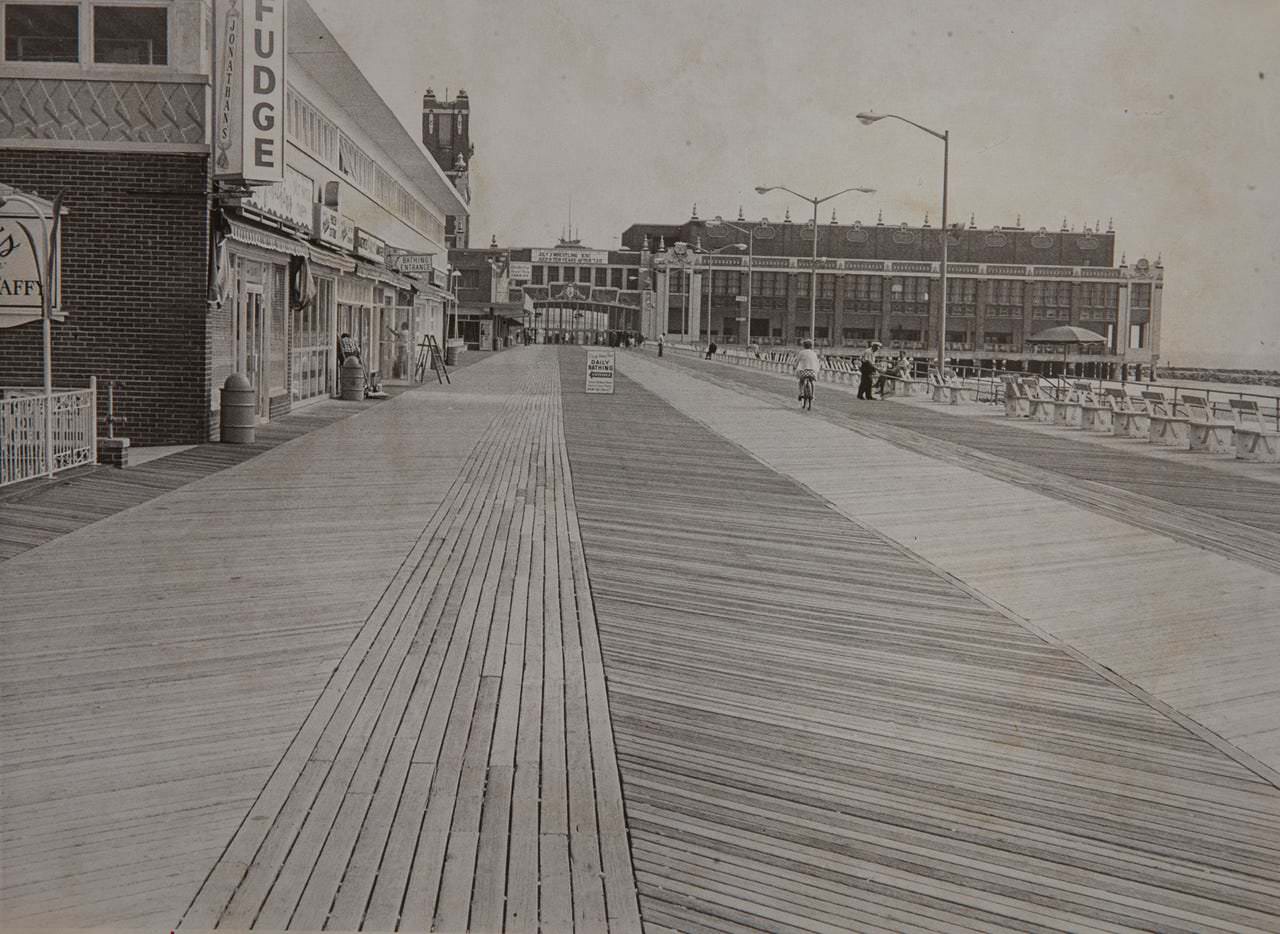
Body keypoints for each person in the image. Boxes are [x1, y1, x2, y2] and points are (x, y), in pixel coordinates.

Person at [794, 339, 821, 405]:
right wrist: (817, 370)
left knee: (801, 381)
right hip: (812, 371)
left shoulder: (801, 352)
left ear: (803, 346)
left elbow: (797, 362)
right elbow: (817, 363)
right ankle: (813, 395)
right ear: (811, 346)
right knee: (812, 382)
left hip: (803, 371)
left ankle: (801, 393)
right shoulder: (814, 353)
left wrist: (795, 367)